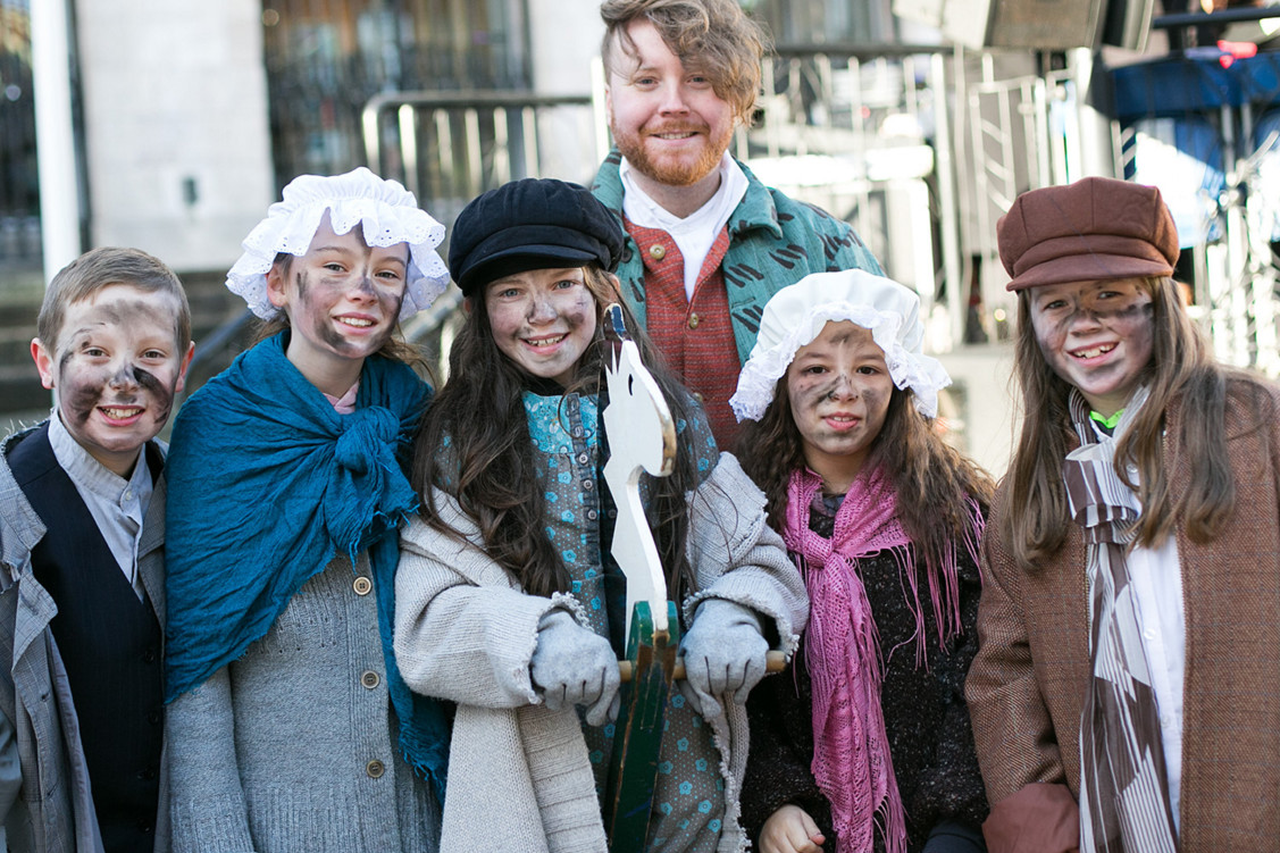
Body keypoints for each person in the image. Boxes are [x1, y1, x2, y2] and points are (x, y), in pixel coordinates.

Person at [393, 177, 808, 853]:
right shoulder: (455, 443)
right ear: (479, 310)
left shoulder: (665, 413)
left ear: (599, 289)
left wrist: (736, 611)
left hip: (680, 770)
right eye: (510, 292)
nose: (541, 312)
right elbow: (426, 623)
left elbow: (755, 554)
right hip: (537, 772)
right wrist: (532, 639)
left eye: (562, 283)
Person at [965, 176, 1280, 852]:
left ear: (1160, 305)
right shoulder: (1028, 491)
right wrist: (1047, 833)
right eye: (1057, 305)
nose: (1085, 325)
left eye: (1111, 296)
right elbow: (1002, 678)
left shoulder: (1254, 428)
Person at [162, 167, 453, 851]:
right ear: (277, 283)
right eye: (334, 266)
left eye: (386, 272)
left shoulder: (418, 415)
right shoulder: (220, 430)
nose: (363, 289)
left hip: (421, 816)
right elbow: (197, 664)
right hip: (285, 819)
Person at [731, 270, 993, 853]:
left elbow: (982, 672)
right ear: (781, 382)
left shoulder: (956, 518)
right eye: (816, 369)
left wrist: (955, 820)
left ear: (901, 382)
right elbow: (733, 688)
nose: (843, 389)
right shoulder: (744, 523)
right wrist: (773, 800)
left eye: (869, 369)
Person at [591, 0, 884, 448]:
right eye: (646, 80)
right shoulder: (563, 255)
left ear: (739, 95)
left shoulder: (827, 250)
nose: (673, 104)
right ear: (611, 100)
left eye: (699, 79)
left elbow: (898, 430)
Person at [0, 246, 194, 851]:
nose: (124, 380)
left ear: (183, 367)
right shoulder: (8, 519)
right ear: (45, 363)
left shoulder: (197, 505)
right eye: (95, 352)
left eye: (151, 356)